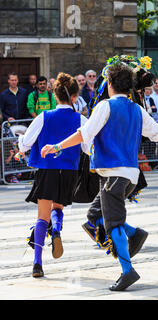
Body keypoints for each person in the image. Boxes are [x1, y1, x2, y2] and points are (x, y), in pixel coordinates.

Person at [41, 63, 158, 291]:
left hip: (113, 173)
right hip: (129, 175)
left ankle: (128, 271)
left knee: (112, 222)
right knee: (94, 214)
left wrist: (58, 146)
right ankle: (135, 234)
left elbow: (84, 134)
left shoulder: (105, 106)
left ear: (109, 84)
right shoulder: (137, 109)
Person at [17, 72, 90, 278]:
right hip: (69, 171)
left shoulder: (44, 116)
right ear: (75, 97)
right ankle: (57, 229)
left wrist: (21, 146)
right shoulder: (81, 118)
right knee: (58, 207)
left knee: (42, 216)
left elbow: (27, 142)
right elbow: (86, 148)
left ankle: (37, 263)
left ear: (55, 96)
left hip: (47, 169)